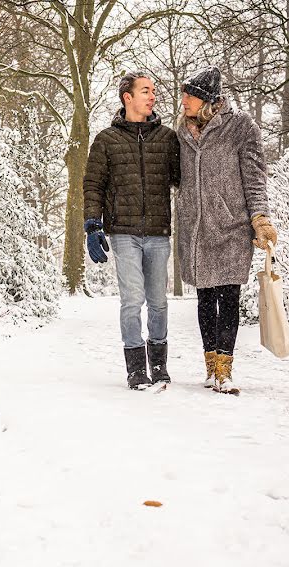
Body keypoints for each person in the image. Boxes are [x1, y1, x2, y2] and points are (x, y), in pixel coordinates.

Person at [175, 66, 278, 394]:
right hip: (196, 229)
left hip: (232, 226)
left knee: (228, 296)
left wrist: (260, 217)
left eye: (188, 95)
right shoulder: (180, 131)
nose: (183, 101)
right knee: (205, 297)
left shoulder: (241, 127)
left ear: (205, 99)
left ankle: (225, 370)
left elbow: (254, 175)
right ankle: (210, 367)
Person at [84, 72, 181, 390]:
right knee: (131, 300)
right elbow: (93, 185)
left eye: (153, 91)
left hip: (157, 232)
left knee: (158, 302)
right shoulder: (106, 140)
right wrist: (92, 225)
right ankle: (136, 367)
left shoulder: (167, 138)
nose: (152, 96)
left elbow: (184, 181)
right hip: (123, 232)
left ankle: (159, 365)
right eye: (145, 91)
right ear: (128, 97)